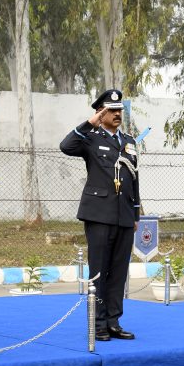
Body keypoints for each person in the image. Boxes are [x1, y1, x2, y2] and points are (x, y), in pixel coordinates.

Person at [60, 89, 140, 341]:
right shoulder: (90, 138)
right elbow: (66, 146)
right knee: (99, 269)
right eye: (111, 110)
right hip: (99, 213)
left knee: (118, 270)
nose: (117, 114)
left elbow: (134, 178)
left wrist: (136, 212)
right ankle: (98, 323)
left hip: (124, 214)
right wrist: (90, 123)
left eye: (119, 111)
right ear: (100, 112)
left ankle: (114, 320)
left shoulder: (129, 142)